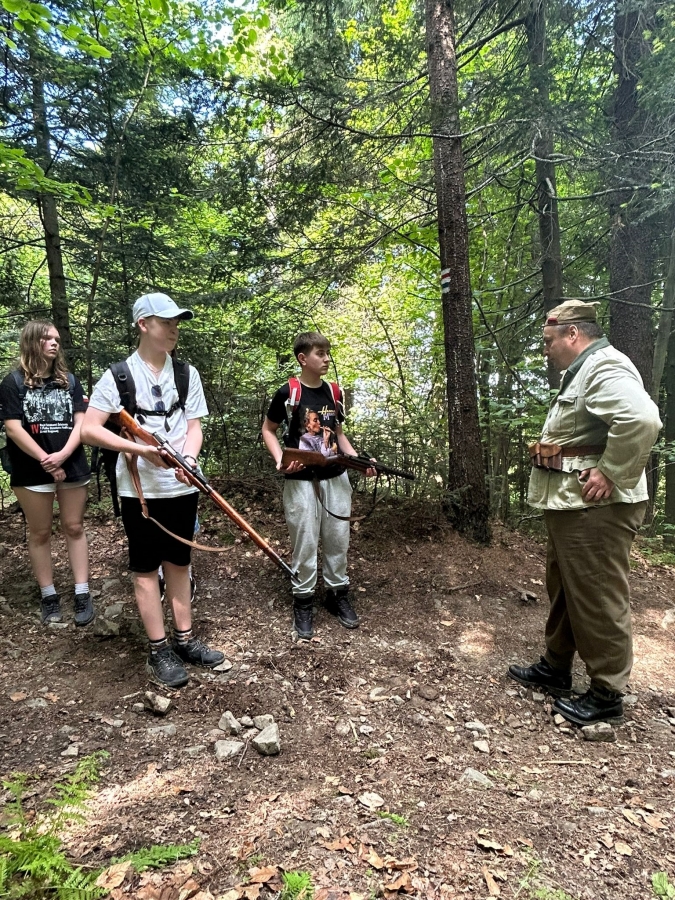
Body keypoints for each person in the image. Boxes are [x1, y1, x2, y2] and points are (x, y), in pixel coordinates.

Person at [508, 300, 662, 725]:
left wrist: (611, 471)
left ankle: (607, 692)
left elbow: (642, 420)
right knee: (565, 588)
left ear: (572, 333)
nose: (546, 350)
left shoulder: (603, 366)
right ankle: (556, 667)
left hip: (596, 508)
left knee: (597, 595)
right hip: (573, 505)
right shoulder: (584, 370)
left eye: (548, 341)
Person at [81, 292, 224, 688]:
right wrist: (140, 450)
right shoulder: (119, 376)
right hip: (139, 491)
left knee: (179, 562)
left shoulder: (186, 374)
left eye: (177, 322)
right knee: (145, 569)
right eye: (166, 322)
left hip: (182, 486)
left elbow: (194, 427)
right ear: (143, 324)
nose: (174, 329)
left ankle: (185, 640)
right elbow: (89, 429)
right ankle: (159, 649)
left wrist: (188, 460)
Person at [262, 331, 375, 640]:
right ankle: (303, 600)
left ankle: (337, 594)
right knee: (305, 541)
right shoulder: (289, 392)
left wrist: (359, 461)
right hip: (300, 481)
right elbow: (268, 430)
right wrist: (280, 460)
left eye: (327, 353)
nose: (326, 359)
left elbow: (339, 435)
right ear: (303, 358)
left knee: (338, 538)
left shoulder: (334, 392)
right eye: (320, 353)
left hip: (336, 478)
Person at [0, 321, 93, 625]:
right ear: (32, 342)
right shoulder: (13, 383)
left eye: (56, 339)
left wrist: (63, 456)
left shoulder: (70, 381)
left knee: (74, 526)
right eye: (47, 338)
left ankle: (82, 592)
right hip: (31, 470)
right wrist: (45, 460)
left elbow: (82, 423)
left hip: (72, 464)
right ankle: (49, 594)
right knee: (40, 532)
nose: (54, 343)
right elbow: (13, 428)